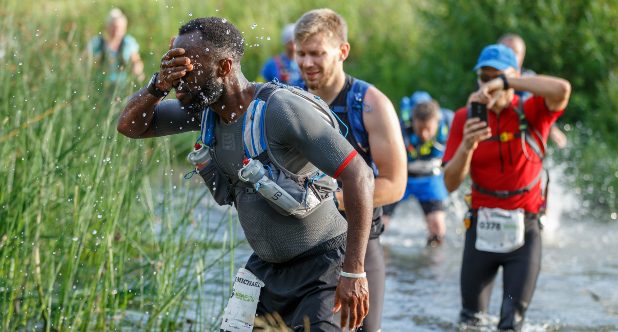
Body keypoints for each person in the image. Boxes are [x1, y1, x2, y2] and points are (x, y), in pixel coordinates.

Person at [117, 17, 375, 331]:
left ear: (224, 68)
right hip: (263, 273)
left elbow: (359, 175)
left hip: (323, 269)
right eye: (175, 69)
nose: (179, 81)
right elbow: (131, 126)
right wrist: (158, 84)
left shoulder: (281, 110)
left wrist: (354, 272)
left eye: (188, 69)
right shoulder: (204, 111)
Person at [443, 44, 571, 330]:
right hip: (480, 229)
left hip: (524, 234)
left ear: (513, 77)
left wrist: (507, 82)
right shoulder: (466, 118)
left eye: (495, 77)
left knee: (511, 322)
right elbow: (450, 183)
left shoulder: (531, 111)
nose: (489, 85)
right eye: (483, 78)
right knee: (470, 321)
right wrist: (467, 145)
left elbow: (562, 90)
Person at [294, 9, 407, 332]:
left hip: (359, 243)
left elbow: (395, 184)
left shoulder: (371, 105)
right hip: (304, 246)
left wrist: (329, 202)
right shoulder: (288, 100)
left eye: (317, 53)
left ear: (342, 52)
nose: (306, 63)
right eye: (301, 54)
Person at [383, 92, 454, 247]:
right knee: (380, 223)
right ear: (413, 121)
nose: (424, 134)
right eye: (420, 128)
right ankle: (380, 262)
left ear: (437, 121)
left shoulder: (448, 122)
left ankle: (433, 264)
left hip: (430, 178)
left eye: (428, 129)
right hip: (402, 177)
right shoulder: (400, 128)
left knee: (437, 226)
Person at [499, 33, 567, 148]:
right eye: (505, 51)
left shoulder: (530, 80)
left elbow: (541, 108)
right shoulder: (485, 79)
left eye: (514, 52)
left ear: (522, 57)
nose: (509, 56)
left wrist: (552, 128)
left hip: (524, 139)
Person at [89, 8, 144, 84]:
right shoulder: (97, 42)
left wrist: (138, 71)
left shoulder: (128, 43)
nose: (116, 31)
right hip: (99, 84)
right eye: (114, 27)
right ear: (107, 26)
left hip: (121, 86)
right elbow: (84, 61)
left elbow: (136, 60)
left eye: (120, 28)